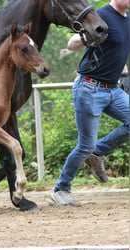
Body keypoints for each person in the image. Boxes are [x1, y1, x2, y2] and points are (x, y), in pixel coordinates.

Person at [49, 0, 130, 206]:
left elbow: (117, 50)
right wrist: (86, 37)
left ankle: (99, 151)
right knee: (85, 145)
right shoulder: (101, 15)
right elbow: (72, 44)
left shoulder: (126, 19)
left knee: (95, 144)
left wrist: (124, 72)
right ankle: (60, 189)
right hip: (89, 88)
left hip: (112, 89)